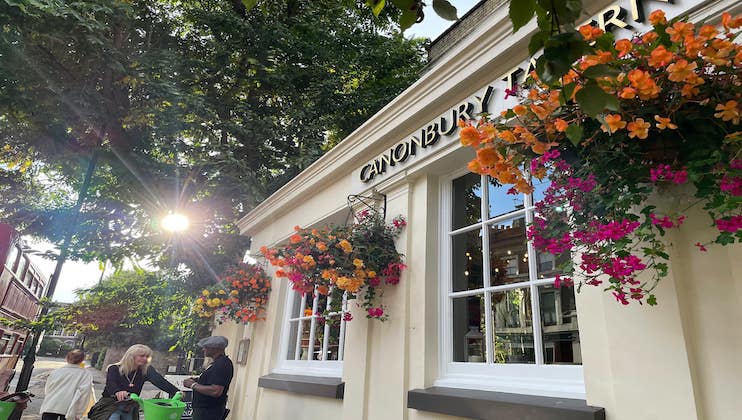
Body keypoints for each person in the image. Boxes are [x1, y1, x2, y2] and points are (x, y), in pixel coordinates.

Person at [88, 344, 179, 420]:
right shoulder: (114, 368)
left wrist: (176, 391)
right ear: (131, 356)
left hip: (130, 405)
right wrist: (117, 391)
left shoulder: (146, 371)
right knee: (113, 418)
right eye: (141, 356)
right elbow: (111, 384)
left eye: (147, 356)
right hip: (110, 404)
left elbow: (161, 382)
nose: (144, 359)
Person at [183, 336, 234, 420]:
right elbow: (213, 380)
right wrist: (199, 380)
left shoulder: (222, 364)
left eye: (206, 347)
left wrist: (193, 385)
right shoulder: (216, 363)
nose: (203, 349)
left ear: (216, 349)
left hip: (208, 412)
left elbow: (216, 390)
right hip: (205, 410)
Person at [39, 349, 95, 420]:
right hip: (70, 409)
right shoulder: (85, 374)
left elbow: (48, 389)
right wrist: (79, 414)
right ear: (82, 360)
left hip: (50, 405)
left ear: (67, 358)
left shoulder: (56, 371)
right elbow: (84, 394)